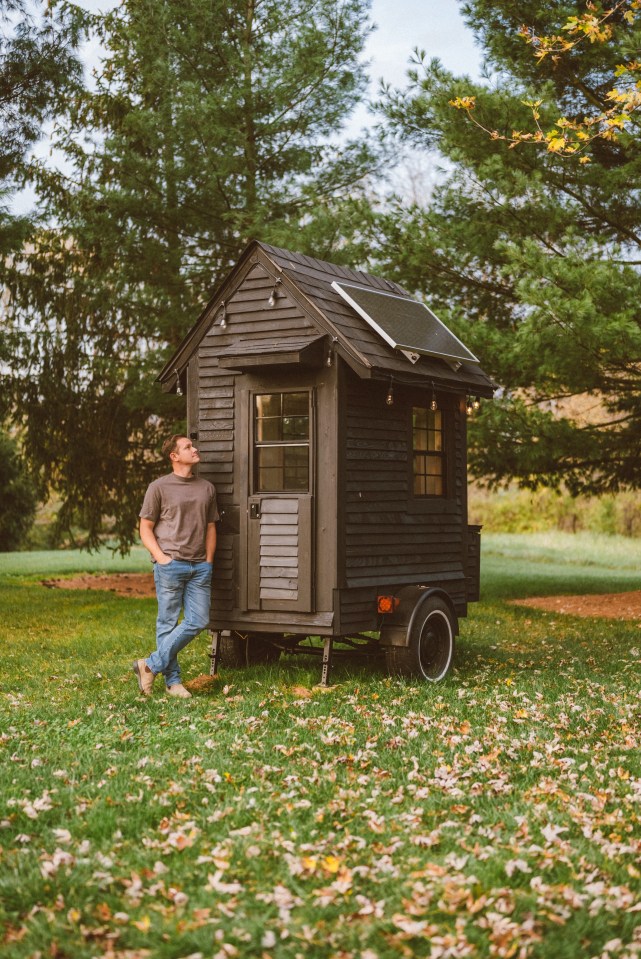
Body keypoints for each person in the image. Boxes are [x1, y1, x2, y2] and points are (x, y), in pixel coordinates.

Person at [133, 434, 219, 699]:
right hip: (170, 565)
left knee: (199, 620)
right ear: (174, 456)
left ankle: (149, 665)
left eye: (192, 446)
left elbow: (211, 526)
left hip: (199, 567)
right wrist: (161, 558)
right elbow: (145, 528)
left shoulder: (206, 487)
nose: (195, 449)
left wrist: (208, 560)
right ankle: (173, 683)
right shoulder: (158, 487)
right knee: (167, 623)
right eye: (188, 447)